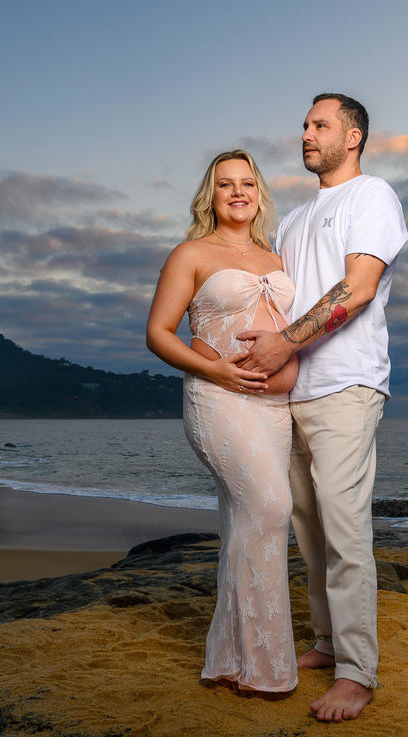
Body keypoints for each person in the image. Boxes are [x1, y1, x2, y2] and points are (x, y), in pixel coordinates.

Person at [237, 93, 408, 722]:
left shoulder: (372, 196)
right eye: (304, 125)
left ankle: (357, 674)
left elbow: (358, 289)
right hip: (292, 392)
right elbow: (279, 301)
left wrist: (285, 340)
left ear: (354, 134)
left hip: (347, 384)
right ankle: (327, 641)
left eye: (320, 125)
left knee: (344, 529)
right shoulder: (294, 219)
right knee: (306, 529)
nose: (306, 134)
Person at [145, 150, 299, 694]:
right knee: (272, 505)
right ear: (209, 195)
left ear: (259, 192)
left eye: (248, 183)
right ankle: (266, 670)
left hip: (276, 409)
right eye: (225, 184)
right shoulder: (191, 253)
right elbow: (159, 333)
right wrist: (218, 370)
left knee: (245, 523)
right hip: (218, 400)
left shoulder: (278, 256)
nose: (238, 192)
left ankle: (231, 661)